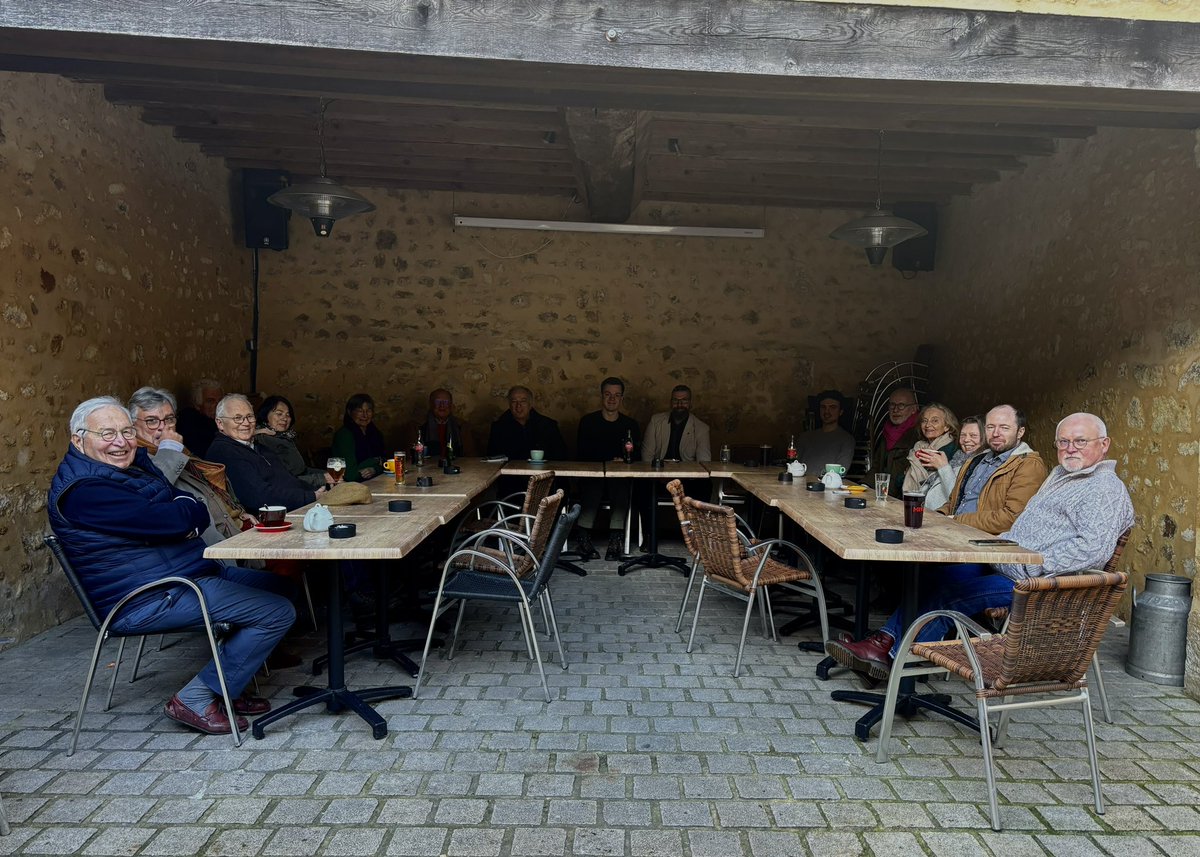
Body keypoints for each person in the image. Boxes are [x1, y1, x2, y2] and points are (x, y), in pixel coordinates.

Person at [48, 397, 296, 735]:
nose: (120, 443)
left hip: (185, 575)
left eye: (125, 432)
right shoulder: (85, 491)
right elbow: (174, 517)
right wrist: (182, 514)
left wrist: (182, 511)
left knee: (282, 588)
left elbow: (189, 505)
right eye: (106, 434)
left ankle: (228, 682)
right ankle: (198, 696)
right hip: (149, 596)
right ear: (79, 439)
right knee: (275, 611)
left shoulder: (128, 465)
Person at [826, 412, 1133, 679]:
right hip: (1006, 562)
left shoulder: (1103, 487)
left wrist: (1031, 564)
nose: (1070, 448)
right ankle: (883, 642)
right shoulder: (1063, 476)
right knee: (934, 573)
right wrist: (996, 546)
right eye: (1064, 442)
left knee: (951, 593)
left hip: (1036, 583)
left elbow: (1093, 550)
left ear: (1103, 445)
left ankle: (896, 661)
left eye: (1080, 441)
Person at [128, 386, 256, 547]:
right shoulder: (132, 457)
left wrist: (238, 513)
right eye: (151, 421)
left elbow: (208, 489)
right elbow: (154, 488)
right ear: (132, 426)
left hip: (232, 533)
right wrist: (170, 449)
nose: (163, 427)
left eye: (169, 419)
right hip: (204, 546)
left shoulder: (182, 453)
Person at [207, 394, 330, 511]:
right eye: (237, 418)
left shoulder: (257, 447)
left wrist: (318, 491)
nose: (246, 423)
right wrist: (311, 496)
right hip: (268, 520)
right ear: (220, 423)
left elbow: (289, 480)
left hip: (296, 507)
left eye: (250, 417)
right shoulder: (225, 451)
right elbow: (259, 495)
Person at [938, 404, 1048, 535]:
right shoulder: (976, 460)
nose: (996, 434)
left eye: (1004, 428)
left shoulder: (1028, 465)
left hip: (985, 542)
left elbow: (1013, 518)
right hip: (953, 531)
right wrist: (937, 517)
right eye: (990, 427)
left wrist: (956, 520)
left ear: (1020, 432)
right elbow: (954, 501)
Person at [575, 377, 642, 561]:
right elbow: (581, 454)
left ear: (622, 399)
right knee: (593, 485)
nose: (612, 399)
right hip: (592, 475)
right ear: (601, 396)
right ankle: (583, 538)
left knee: (620, 484)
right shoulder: (588, 422)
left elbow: (637, 457)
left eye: (617, 395)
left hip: (618, 477)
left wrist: (623, 461)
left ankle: (616, 539)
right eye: (608, 394)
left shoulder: (630, 425)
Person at [254, 395, 330, 491]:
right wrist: (323, 478)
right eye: (279, 413)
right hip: (291, 492)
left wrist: (327, 475)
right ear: (265, 415)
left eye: (288, 414)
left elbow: (301, 470)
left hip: (302, 486)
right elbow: (284, 480)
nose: (285, 418)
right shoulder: (265, 440)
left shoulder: (284, 437)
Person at [902, 403, 961, 511]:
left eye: (935, 421)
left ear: (947, 426)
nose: (928, 425)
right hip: (913, 504)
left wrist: (906, 474)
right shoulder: (919, 446)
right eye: (924, 421)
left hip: (936, 509)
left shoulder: (950, 449)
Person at [920, 415, 984, 510]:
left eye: (973, 435)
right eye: (963, 435)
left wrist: (943, 467)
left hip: (943, 519)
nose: (966, 440)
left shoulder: (982, 464)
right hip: (926, 513)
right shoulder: (958, 458)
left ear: (985, 438)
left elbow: (958, 499)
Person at [869, 387, 920, 498]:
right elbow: (877, 466)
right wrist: (865, 486)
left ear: (914, 409)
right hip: (882, 494)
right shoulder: (887, 431)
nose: (895, 410)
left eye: (901, 405)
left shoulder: (919, 434)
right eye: (892, 405)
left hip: (901, 496)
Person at [642, 385, 711, 463]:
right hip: (659, 471)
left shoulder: (702, 428)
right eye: (675, 400)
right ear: (670, 402)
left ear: (690, 403)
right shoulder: (655, 421)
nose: (679, 404)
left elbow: (704, 462)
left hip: (687, 473)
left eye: (684, 400)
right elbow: (646, 457)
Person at [794, 389, 855, 474]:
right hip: (798, 484)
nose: (827, 411)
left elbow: (841, 471)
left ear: (841, 412)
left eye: (832, 407)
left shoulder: (847, 440)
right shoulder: (805, 437)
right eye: (823, 407)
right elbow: (793, 465)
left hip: (827, 485)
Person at [331, 393, 386, 482]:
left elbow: (386, 463)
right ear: (350, 412)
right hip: (350, 486)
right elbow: (350, 475)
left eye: (368, 411)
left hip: (373, 481)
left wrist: (374, 469)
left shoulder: (374, 433)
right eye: (360, 411)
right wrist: (375, 462)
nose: (365, 415)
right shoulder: (345, 435)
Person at [175, 378, 223, 456]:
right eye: (210, 401)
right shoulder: (190, 423)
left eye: (220, 400)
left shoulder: (224, 419)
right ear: (197, 404)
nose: (218, 405)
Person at [419, 388, 472, 459]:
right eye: (438, 402)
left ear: (450, 405)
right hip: (427, 467)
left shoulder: (462, 426)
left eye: (446, 402)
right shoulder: (418, 426)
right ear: (431, 404)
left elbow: (470, 456)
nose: (442, 406)